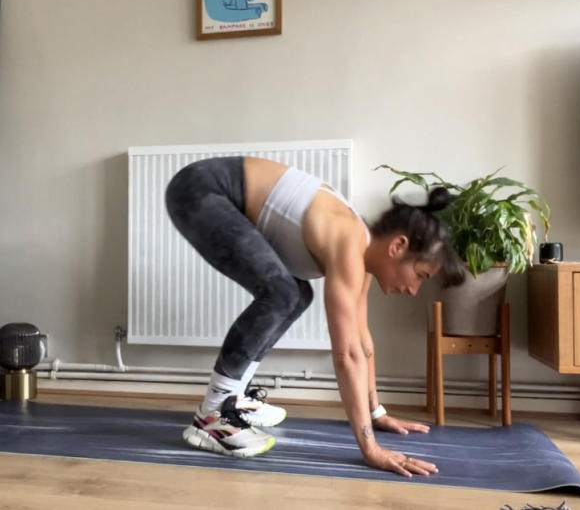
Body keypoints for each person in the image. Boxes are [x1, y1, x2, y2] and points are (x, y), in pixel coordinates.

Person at [164, 156, 465, 477]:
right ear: (398, 246)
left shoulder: (362, 255)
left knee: (296, 295)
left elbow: (361, 343)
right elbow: (346, 355)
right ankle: (213, 414)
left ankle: (232, 398)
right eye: (419, 275)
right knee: (282, 293)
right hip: (201, 189)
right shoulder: (349, 240)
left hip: (217, 193)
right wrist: (370, 449)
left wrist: (376, 412)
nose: (414, 289)